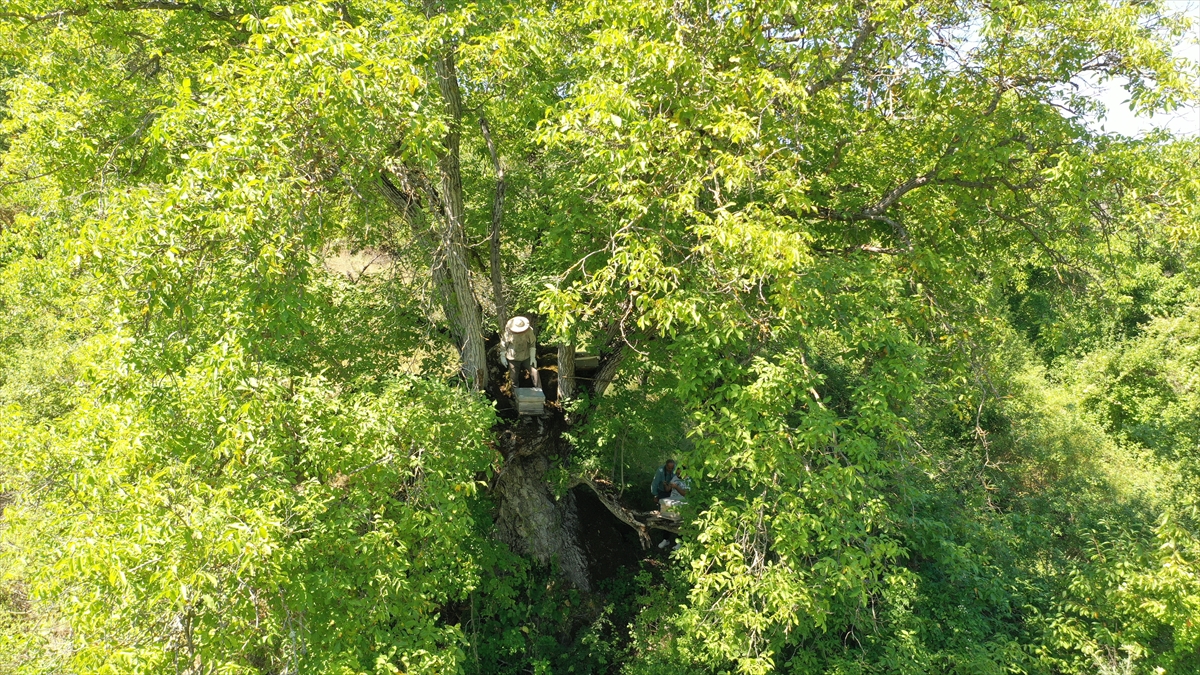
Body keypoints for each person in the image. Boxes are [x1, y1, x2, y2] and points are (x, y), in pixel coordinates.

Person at [651, 460, 687, 550]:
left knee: (680, 523)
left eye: (679, 474)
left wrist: (676, 487)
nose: (678, 475)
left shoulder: (688, 480)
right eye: (677, 473)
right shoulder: (674, 477)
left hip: (682, 503)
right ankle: (665, 539)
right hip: (671, 501)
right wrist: (666, 485)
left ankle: (680, 542)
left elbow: (685, 494)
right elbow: (667, 490)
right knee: (667, 519)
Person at [500, 315, 540, 390]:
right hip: (513, 358)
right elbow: (503, 343)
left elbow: (532, 343)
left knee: (535, 372)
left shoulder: (529, 331)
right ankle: (516, 395)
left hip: (526, 356)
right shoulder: (509, 331)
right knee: (513, 377)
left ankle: (539, 392)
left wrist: (532, 357)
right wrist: (502, 355)